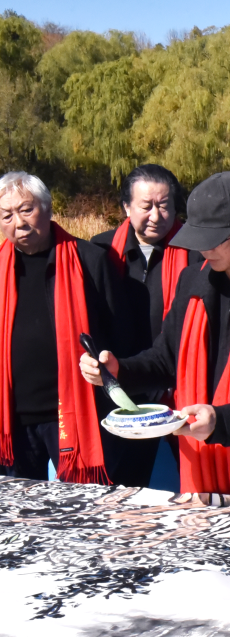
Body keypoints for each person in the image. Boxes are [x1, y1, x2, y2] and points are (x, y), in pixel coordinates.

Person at [80, 171, 230, 503]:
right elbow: (166, 359)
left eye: (214, 238)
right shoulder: (192, 281)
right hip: (199, 472)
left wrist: (221, 421)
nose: (202, 248)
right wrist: (119, 370)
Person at [0, 171, 129, 483]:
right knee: (20, 519)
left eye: (26, 210)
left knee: (83, 515)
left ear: (48, 208)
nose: (18, 223)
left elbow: (119, 331)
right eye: (7, 215)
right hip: (14, 419)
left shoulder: (89, 259)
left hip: (76, 413)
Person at [90, 164, 202, 487]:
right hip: (121, 386)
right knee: (120, 489)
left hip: (179, 385)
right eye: (146, 206)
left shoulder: (197, 255)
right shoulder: (100, 252)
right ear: (126, 206)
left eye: (165, 205)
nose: (156, 215)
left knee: (193, 487)